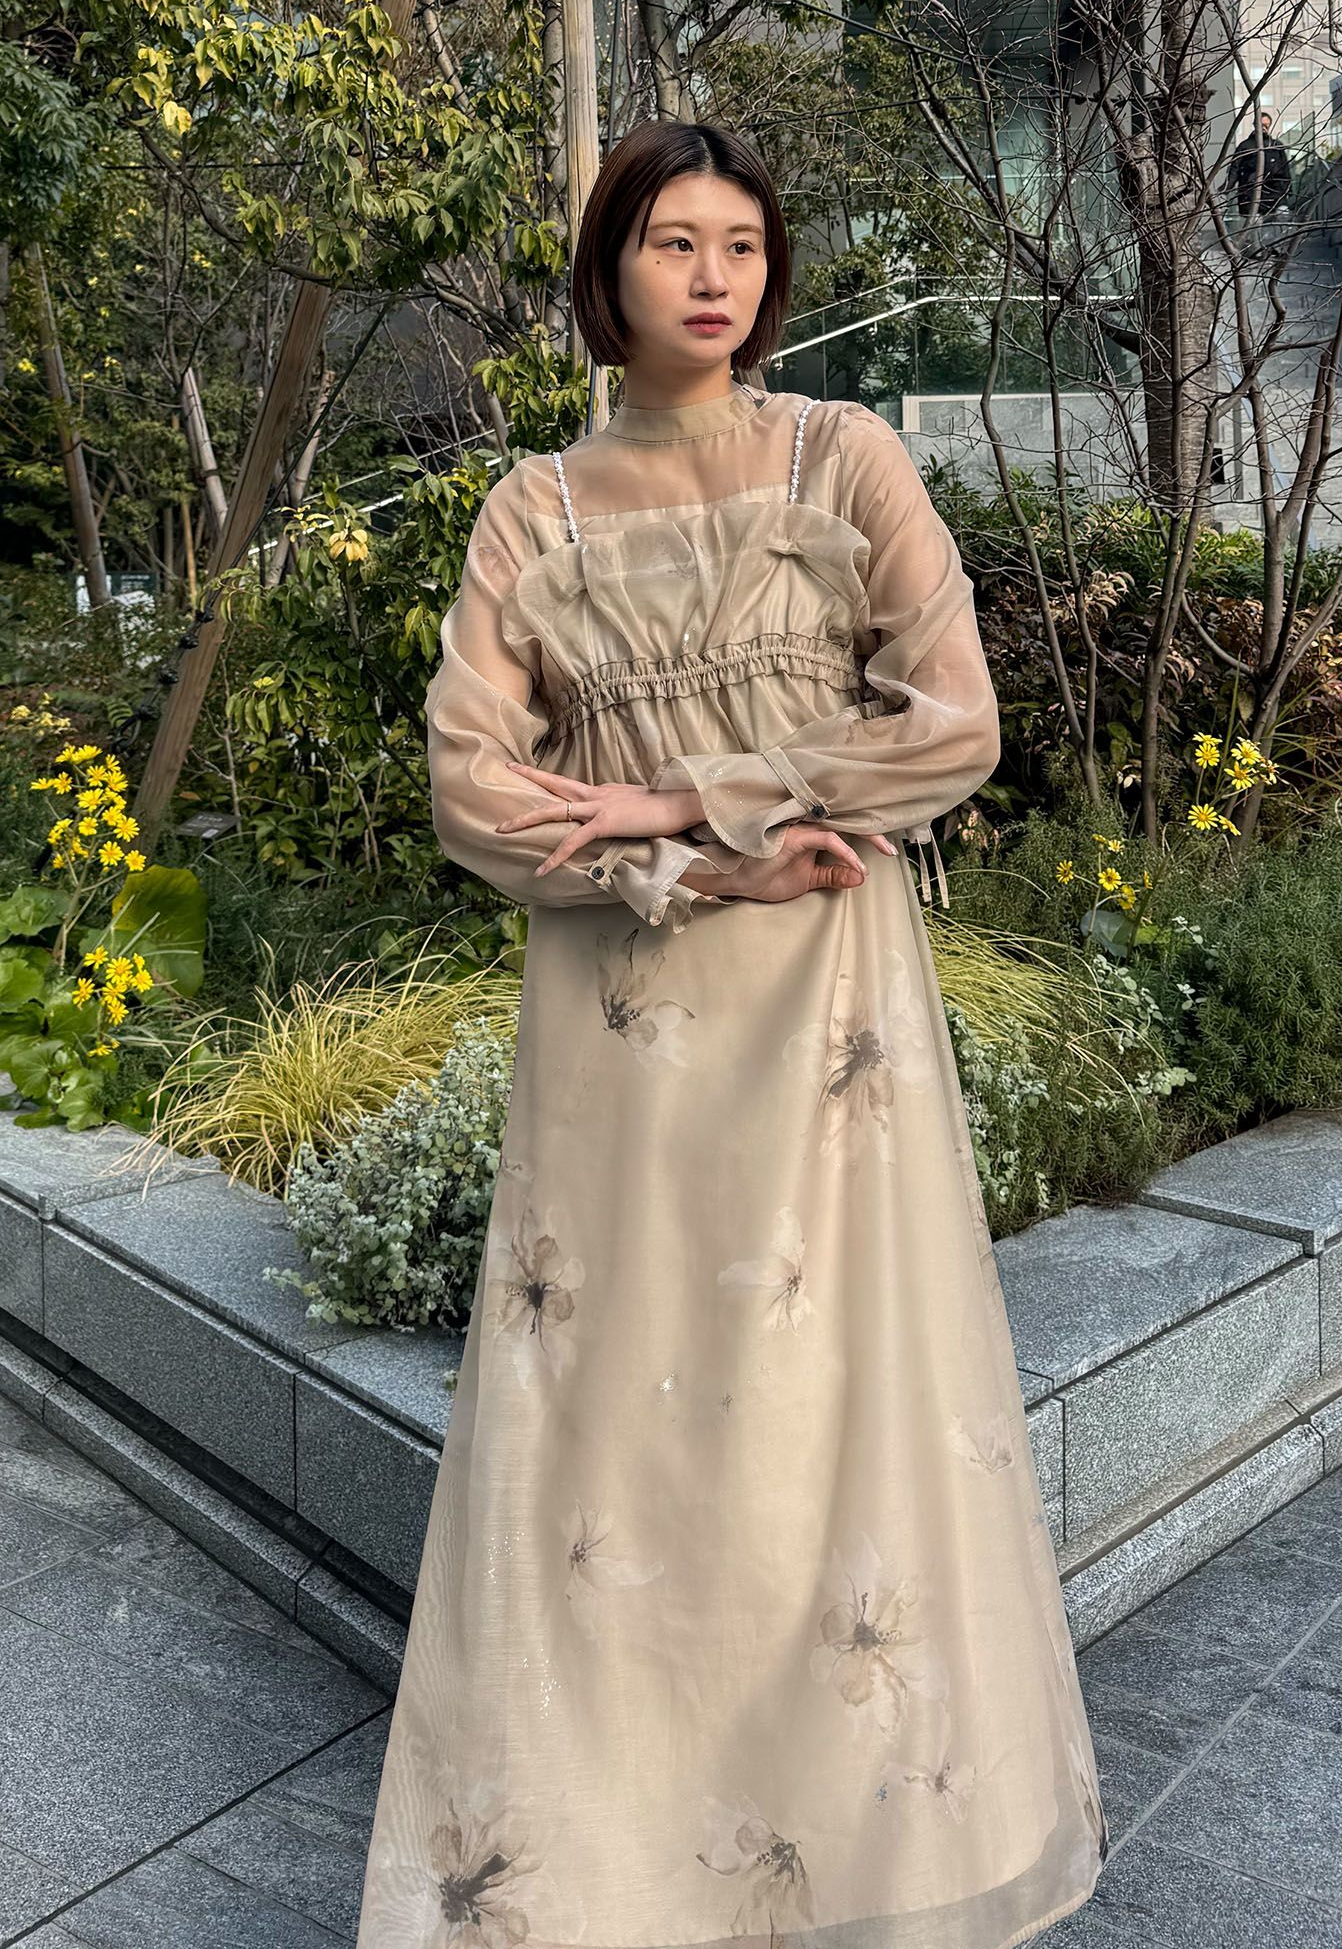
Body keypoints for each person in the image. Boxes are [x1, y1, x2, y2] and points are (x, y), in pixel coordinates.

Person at [353, 118, 1108, 1949]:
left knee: (829, 1406)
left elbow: (951, 727)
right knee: (613, 1433)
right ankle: (608, 1871)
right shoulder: (532, 512)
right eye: (675, 240)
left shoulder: (844, 460)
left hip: (828, 1011)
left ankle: (848, 1850)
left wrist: (677, 794)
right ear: (608, 265)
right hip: (620, 1026)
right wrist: (690, 869)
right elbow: (473, 795)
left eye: (744, 245)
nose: (713, 277)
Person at [1229, 110, 1292, 223]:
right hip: (1251, 193)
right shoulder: (1245, 146)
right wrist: (1227, 188)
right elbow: (1235, 169)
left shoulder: (1276, 146)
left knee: (1282, 216)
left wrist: (1288, 190)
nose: (1264, 128)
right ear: (1255, 125)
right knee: (1255, 222)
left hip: (1274, 193)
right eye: (1261, 125)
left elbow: (1285, 170)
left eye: (1266, 125)